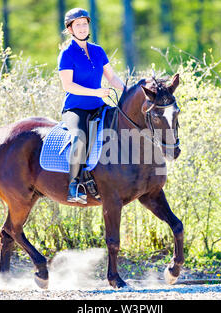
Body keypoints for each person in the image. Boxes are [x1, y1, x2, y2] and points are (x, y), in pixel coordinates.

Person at [58, 8, 125, 204]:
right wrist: (95, 92)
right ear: (70, 29)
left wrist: (129, 90)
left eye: (84, 24)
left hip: (99, 106)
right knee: (80, 137)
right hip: (76, 108)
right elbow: (67, 85)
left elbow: (111, 77)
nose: (82, 27)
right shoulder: (66, 54)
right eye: (77, 24)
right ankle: (74, 185)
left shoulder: (98, 50)